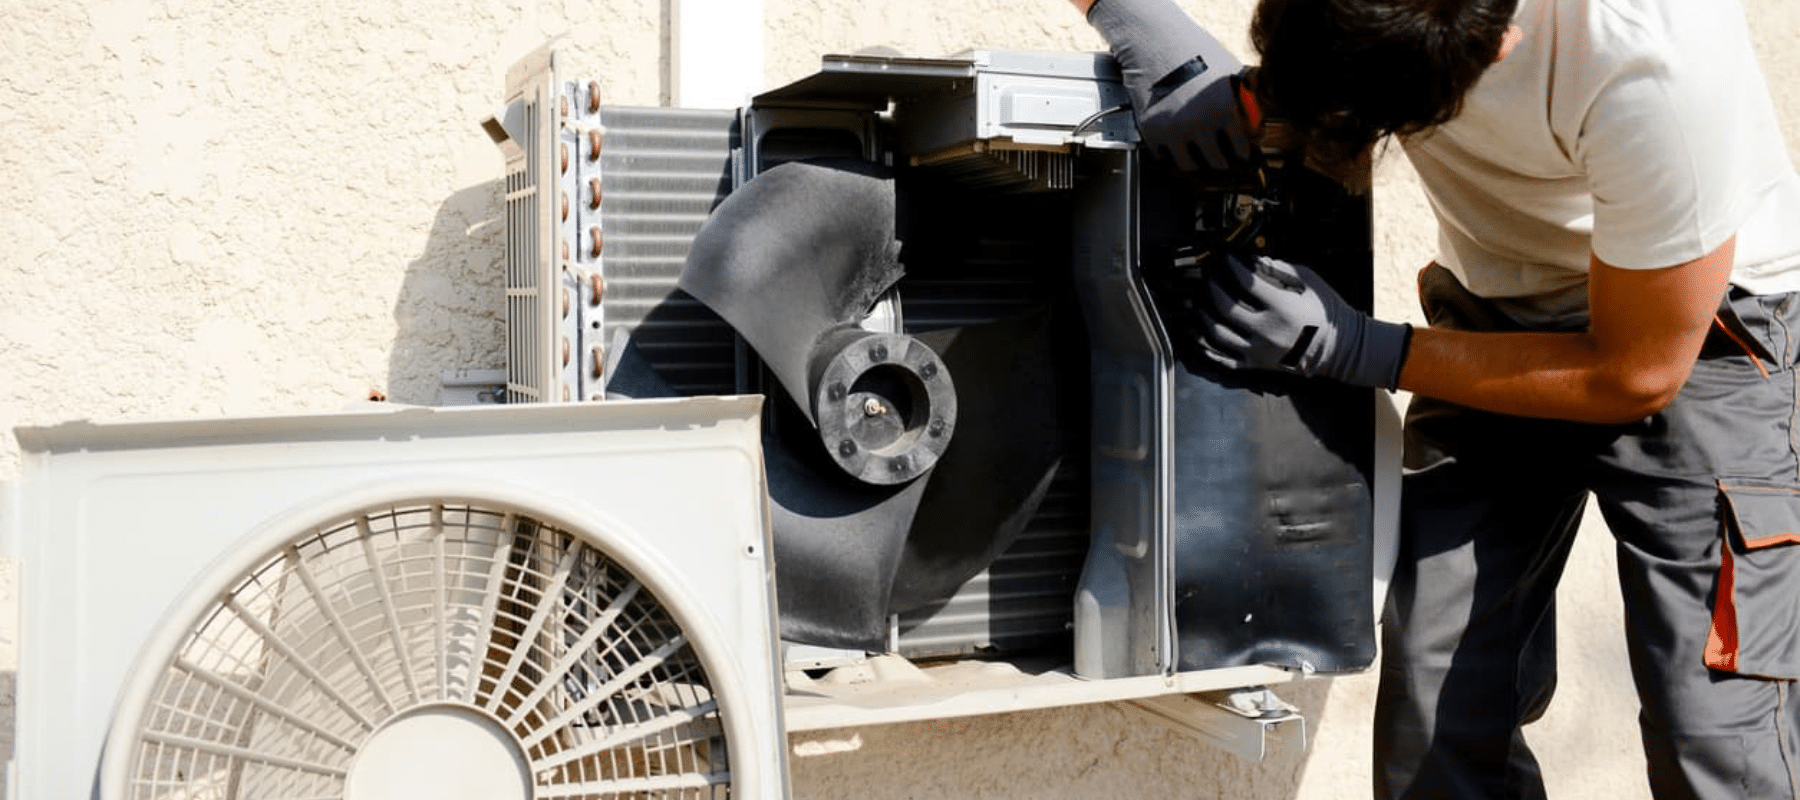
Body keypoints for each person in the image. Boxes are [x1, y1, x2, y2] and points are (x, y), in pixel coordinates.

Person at [1071, 0, 1800, 798]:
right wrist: (1131, 14)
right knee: (1437, 715)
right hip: (1494, 317)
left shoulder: (1658, 54)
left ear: (1497, 49)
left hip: (1699, 341)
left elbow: (1633, 372)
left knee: (1716, 745)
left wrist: (1360, 349)